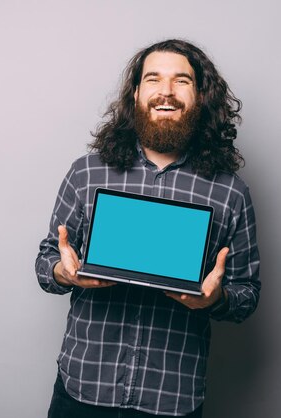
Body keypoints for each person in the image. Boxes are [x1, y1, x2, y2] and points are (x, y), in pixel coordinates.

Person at [35, 39, 260, 417]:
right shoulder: (87, 173)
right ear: (137, 92)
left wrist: (217, 299)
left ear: (201, 96)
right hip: (84, 389)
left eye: (182, 81)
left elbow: (247, 294)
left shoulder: (230, 193)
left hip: (171, 399)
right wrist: (64, 270)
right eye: (153, 79)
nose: (166, 92)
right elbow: (45, 263)